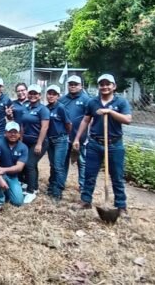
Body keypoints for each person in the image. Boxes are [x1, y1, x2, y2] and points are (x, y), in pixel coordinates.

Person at [72, 74, 132, 219]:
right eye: (102, 84)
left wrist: (110, 111)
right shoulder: (93, 102)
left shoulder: (121, 102)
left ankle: (121, 206)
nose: (104, 87)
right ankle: (86, 201)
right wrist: (77, 138)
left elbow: (128, 120)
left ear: (114, 86)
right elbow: (86, 121)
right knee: (89, 174)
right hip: (95, 143)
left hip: (114, 144)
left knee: (117, 176)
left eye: (108, 84)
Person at [59, 75, 91, 191]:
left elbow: (89, 118)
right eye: (70, 84)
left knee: (82, 162)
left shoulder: (86, 99)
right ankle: (61, 183)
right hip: (65, 136)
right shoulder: (62, 99)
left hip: (80, 137)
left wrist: (87, 135)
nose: (73, 86)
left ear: (81, 86)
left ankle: (83, 186)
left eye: (75, 84)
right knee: (64, 161)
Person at [19, 84, 50, 204]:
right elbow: (23, 125)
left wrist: (39, 143)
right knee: (32, 165)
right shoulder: (25, 107)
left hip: (39, 141)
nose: (32, 96)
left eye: (35, 94)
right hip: (26, 140)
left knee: (29, 164)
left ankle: (31, 191)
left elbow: (44, 127)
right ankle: (35, 187)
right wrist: (21, 139)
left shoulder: (43, 109)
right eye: (30, 93)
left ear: (39, 95)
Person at [0, 121, 28, 210]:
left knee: (18, 202)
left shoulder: (23, 147)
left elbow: (19, 167)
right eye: (10, 132)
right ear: (5, 133)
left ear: (19, 134)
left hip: (13, 176)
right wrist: (0, 176)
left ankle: (8, 190)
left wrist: (4, 170)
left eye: (15, 132)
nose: (13, 134)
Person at [44, 85, 72, 203]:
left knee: (58, 166)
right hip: (49, 140)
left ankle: (58, 191)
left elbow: (68, 124)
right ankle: (51, 186)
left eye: (54, 94)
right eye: (49, 93)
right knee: (52, 164)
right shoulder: (46, 108)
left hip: (60, 139)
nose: (51, 96)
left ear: (58, 96)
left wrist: (64, 135)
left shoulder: (61, 108)